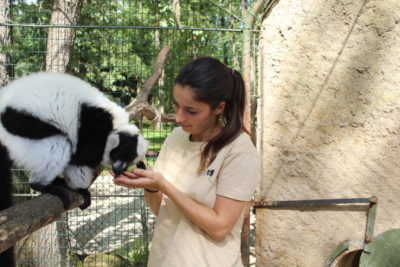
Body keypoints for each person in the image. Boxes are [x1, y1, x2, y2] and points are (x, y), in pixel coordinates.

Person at [111, 57, 261, 267]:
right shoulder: (176, 137)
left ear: (219, 108)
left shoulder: (239, 151)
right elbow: (161, 210)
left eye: (191, 111)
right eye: (176, 105)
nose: (179, 117)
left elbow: (220, 228)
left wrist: (164, 185)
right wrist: (150, 186)